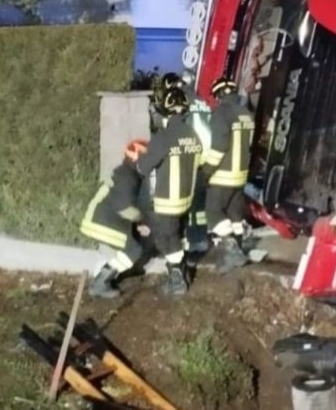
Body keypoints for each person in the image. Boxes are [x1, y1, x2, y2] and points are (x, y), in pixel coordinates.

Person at [135, 87, 204, 297]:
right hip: (186, 199)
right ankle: (182, 273)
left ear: (165, 111)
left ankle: (178, 283)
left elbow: (143, 167)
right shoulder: (193, 135)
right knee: (176, 236)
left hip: (167, 201)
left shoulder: (163, 137)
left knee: (166, 241)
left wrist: (141, 156)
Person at [81, 139, 152, 299]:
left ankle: (115, 272)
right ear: (139, 160)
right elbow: (124, 208)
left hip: (100, 219)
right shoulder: (128, 177)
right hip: (101, 223)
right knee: (134, 250)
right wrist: (142, 220)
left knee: (132, 244)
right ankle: (100, 283)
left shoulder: (124, 172)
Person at [199, 76, 256, 273]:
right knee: (235, 215)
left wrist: (206, 170)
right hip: (241, 175)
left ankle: (233, 253)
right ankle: (237, 252)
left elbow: (219, 147)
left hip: (223, 175)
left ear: (218, 96)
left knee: (213, 212)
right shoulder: (246, 114)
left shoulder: (221, 113)